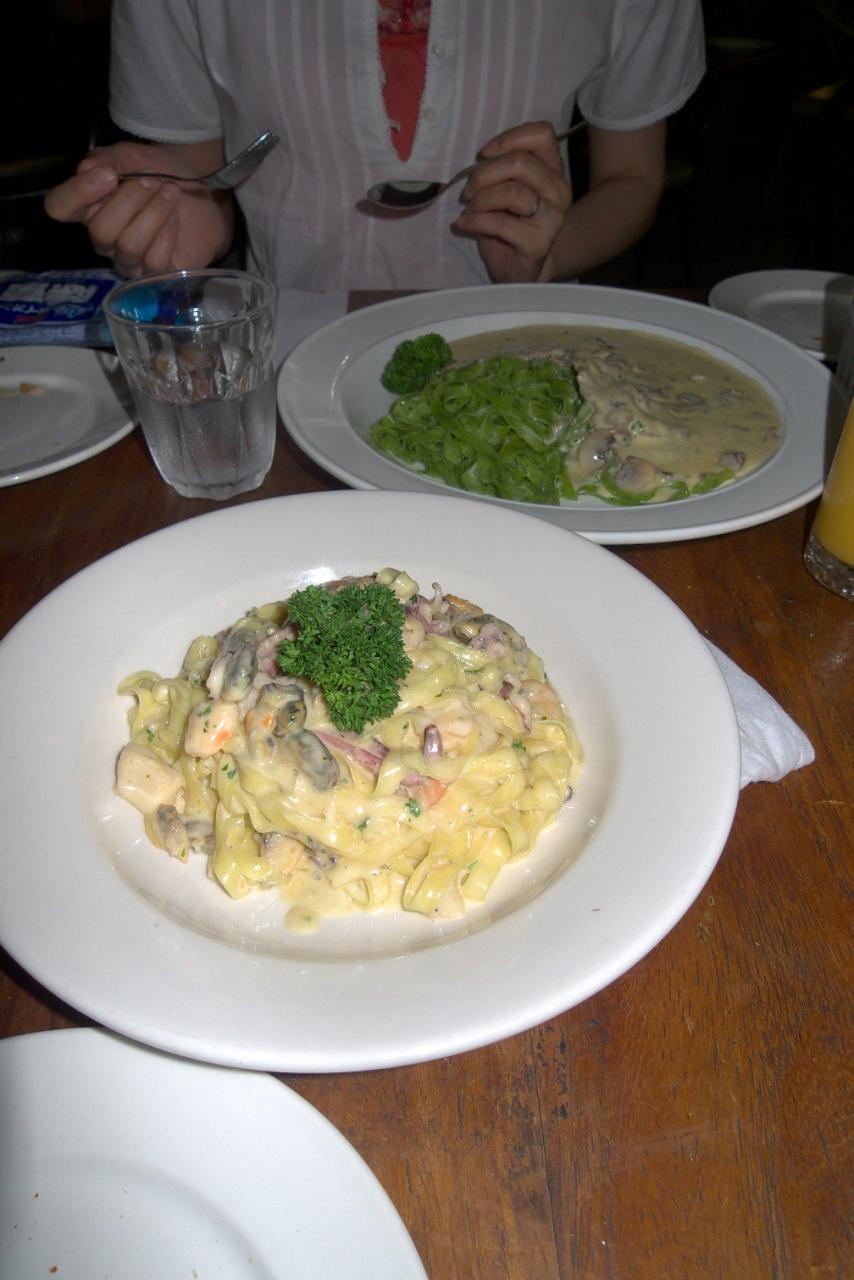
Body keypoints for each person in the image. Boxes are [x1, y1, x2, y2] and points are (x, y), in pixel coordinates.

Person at [45, 1, 705, 298]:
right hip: (288, 361)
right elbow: (204, 178)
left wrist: (547, 254)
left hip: (529, 348)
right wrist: (174, 215)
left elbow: (632, 177)